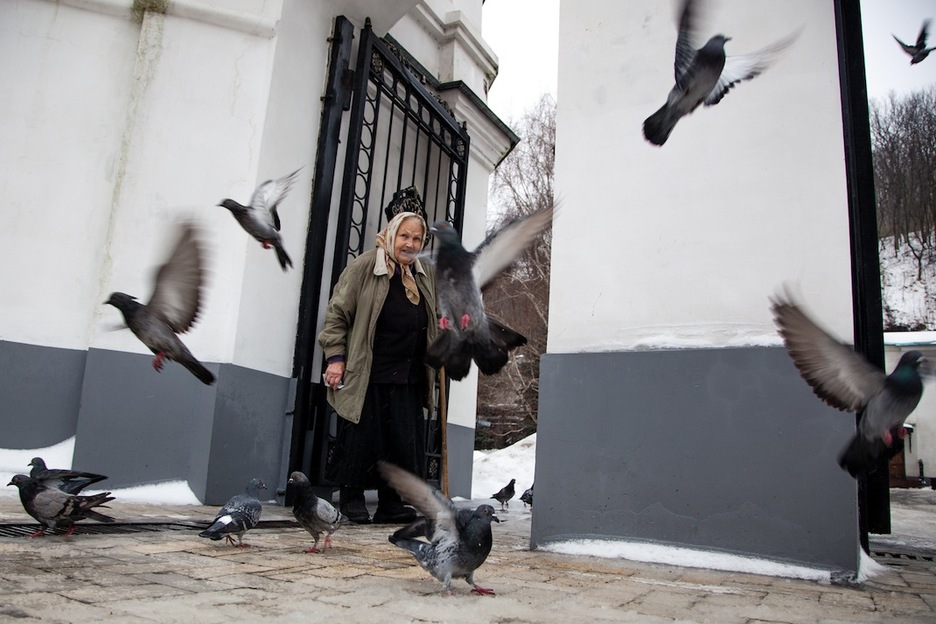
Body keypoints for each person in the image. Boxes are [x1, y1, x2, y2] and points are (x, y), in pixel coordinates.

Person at [318, 211, 439, 524]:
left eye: (417, 238)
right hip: (369, 370)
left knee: (401, 441)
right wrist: (335, 358)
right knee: (362, 438)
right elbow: (337, 315)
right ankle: (352, 498)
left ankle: (391, 504)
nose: (410, 244)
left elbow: (433, 316)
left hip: (410, 374)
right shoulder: (366, 265)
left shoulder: (423, 274)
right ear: (392, 233)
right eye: (405, 236)